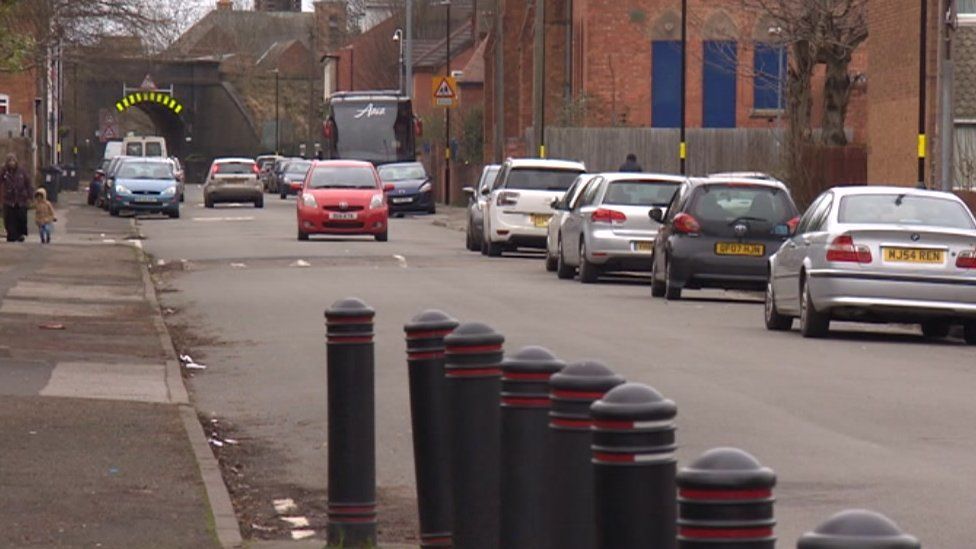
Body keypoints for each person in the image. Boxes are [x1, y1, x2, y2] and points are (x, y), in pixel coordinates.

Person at [1, 153, 33, 242]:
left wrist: (30, 196)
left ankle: (20, 234)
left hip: (21, 199)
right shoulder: (4, 172)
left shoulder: (22, 171)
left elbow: (28, 184)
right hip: (9, 200)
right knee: (10, 219)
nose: (11, 163)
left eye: (13, 161)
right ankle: (12, 235)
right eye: (10, 161)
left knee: (21, 218)